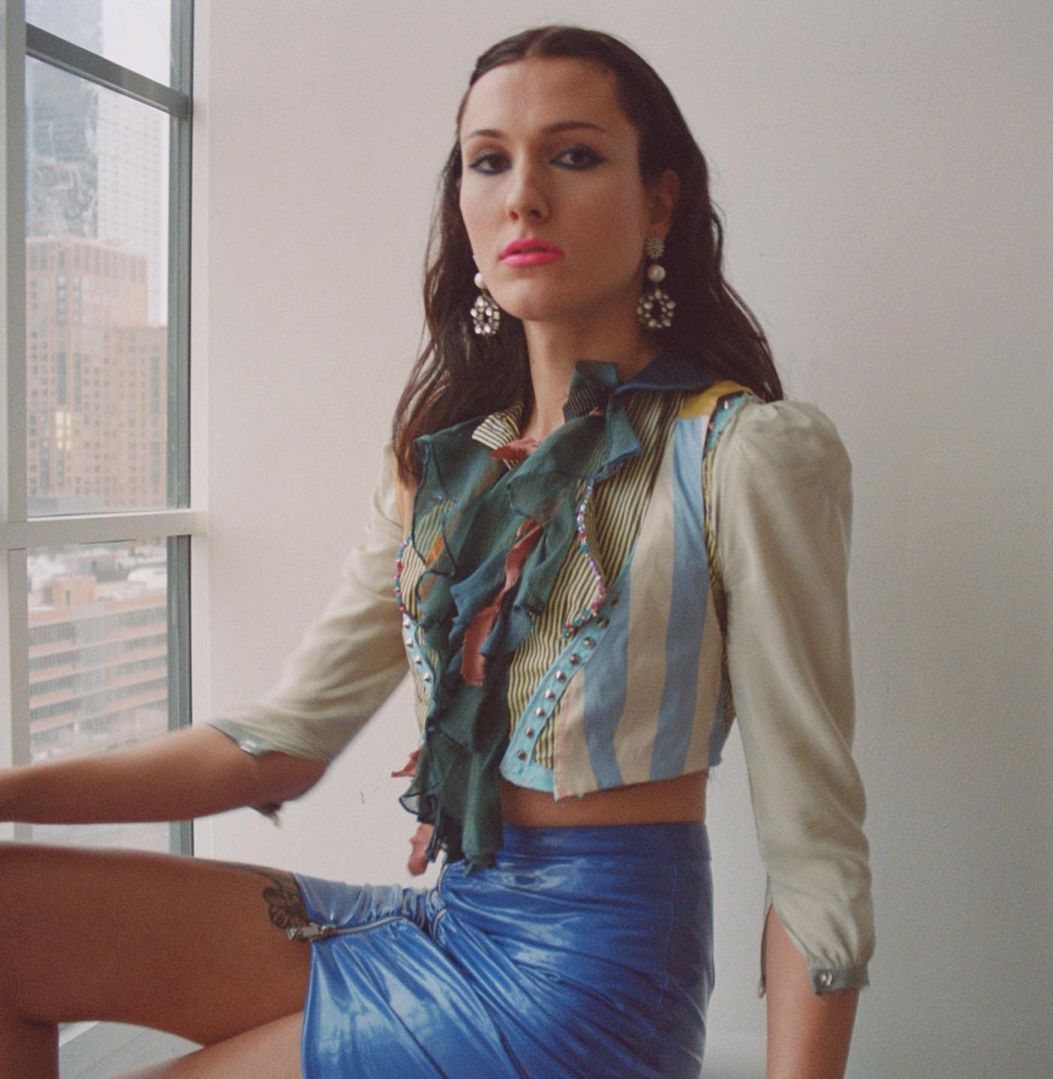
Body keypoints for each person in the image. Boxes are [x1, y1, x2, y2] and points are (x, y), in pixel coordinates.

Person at [0, 25, 873, 1079]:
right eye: (488, 161)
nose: (524, 197)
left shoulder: (743, 453)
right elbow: (279, 743)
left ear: (660, 202)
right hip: (448, 921)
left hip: (588, 989)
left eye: (575, 155)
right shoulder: (437, 472)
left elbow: (815, 851)